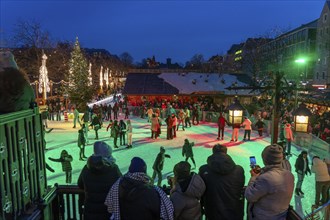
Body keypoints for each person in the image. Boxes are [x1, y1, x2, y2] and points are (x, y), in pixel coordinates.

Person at [104, 157, 174, 220]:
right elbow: (160, 212)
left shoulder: (117, 185)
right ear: (144, 172)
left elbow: (110, 207)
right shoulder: (151, 192)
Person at [245, 144, 294, 219]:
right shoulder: (289, 175)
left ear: (265, 159)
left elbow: (250, 196)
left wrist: (253, 178)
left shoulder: (265, 179)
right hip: (281, 216)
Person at [199, 144, 245, 220]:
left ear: (213, 152)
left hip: (213, 213)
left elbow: (200, 190)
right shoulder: (239, 170)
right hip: (234, 212)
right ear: (226, 153)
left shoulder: (204, 170)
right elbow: (240, 186)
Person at [78, 141, 122, 220]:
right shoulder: (113, 169)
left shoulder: (86, 168)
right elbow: (121, 186)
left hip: (90, 212)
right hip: (107, 212)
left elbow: (80, 184)